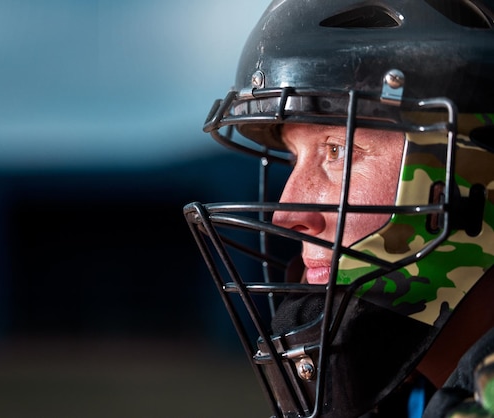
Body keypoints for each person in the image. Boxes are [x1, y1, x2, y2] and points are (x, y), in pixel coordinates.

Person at [183, 0, 494, 417]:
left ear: (477, 175)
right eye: (295, 159)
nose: (287, 213)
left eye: (340, 149)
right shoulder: (412, 397)